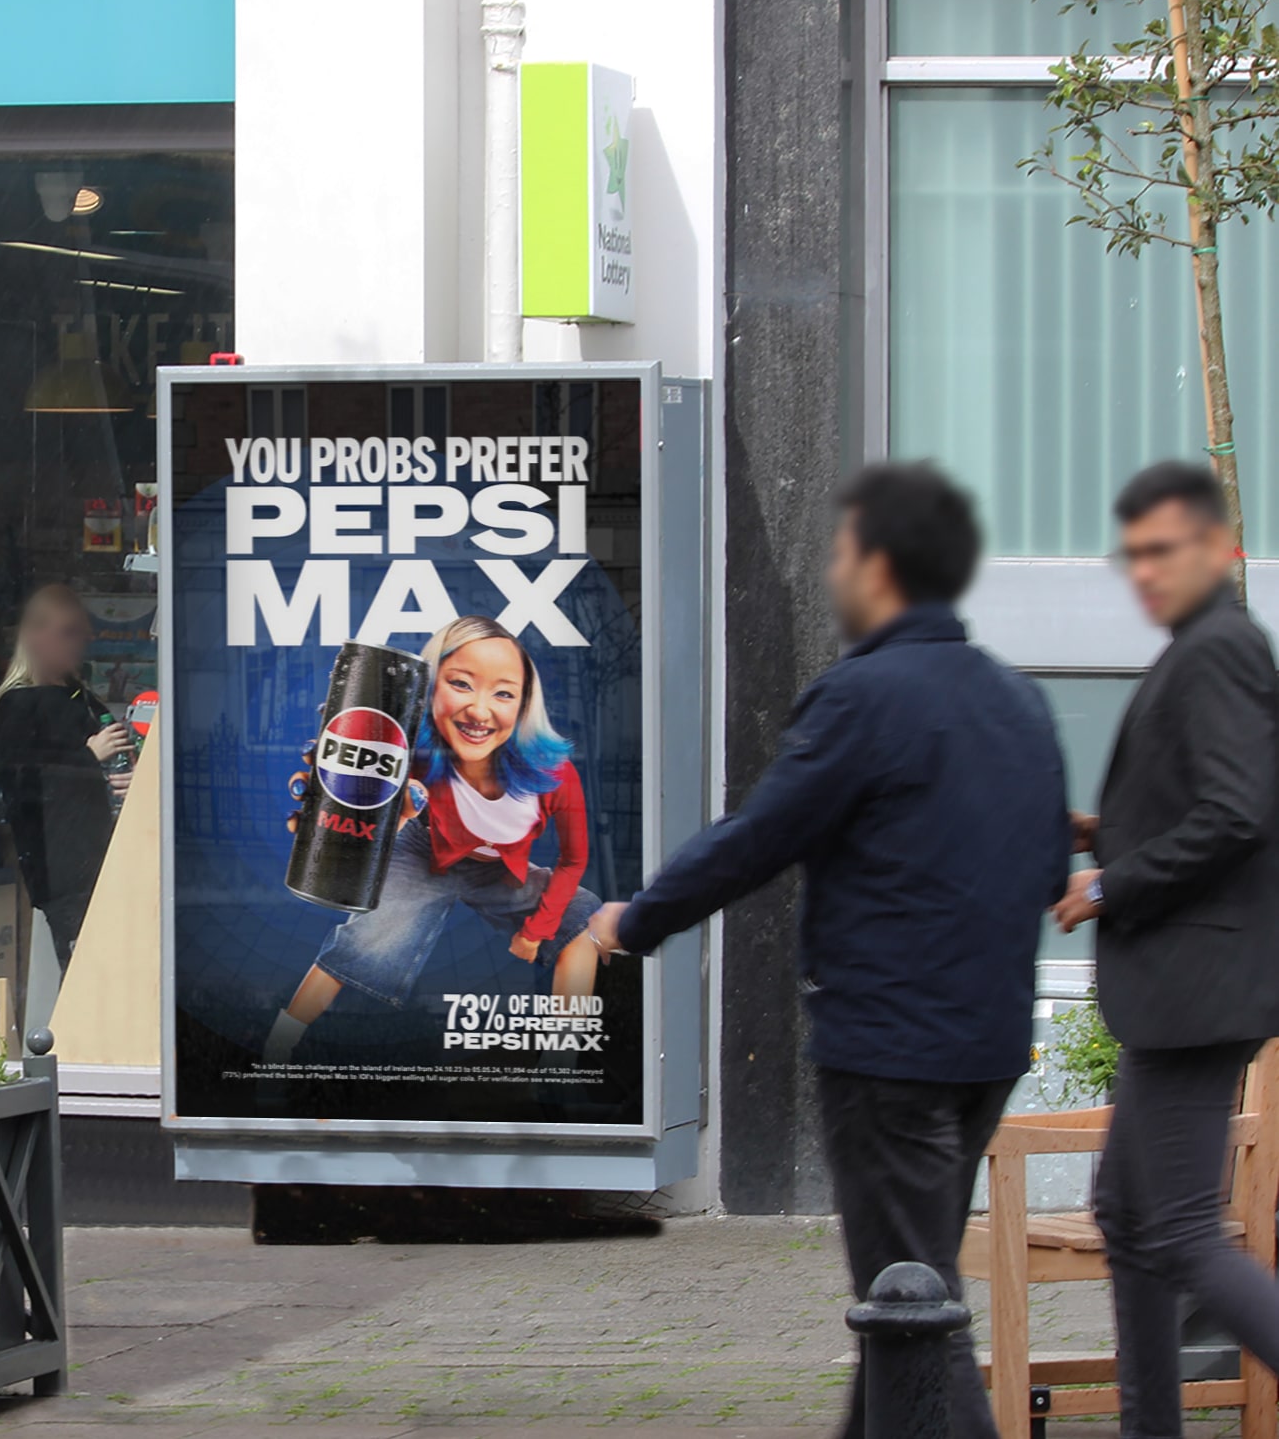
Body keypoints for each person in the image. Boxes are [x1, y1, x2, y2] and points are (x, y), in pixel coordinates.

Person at [585, 462, 1068, 1439]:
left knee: (909, 1313)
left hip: (890, 1050)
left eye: (842, 551)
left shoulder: (863, 696)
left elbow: (760, 836)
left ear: (879, 567)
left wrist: (634, 920)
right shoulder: (1017, 701)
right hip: (982, 1049)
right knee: (908, 1295)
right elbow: (1049, 858)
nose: (834, 569)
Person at [1053, 461, 1279, 1439]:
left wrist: (1111, 883)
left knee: (1177, 1227)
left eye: (1163, 551)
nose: (1143, 572)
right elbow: (1200, 811)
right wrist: (1100, 832)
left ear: (1215, 548)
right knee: (1128, 1217)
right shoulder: (1202, 647)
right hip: (1189, 979)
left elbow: (1235, 814)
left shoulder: (1219, 649)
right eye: (1132, 555)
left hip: (1196, 984)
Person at [265, 615, 602, 1064]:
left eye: (503, 693)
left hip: (496, 871)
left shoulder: (553, 774)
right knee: (364, 940)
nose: (480, 711)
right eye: (461, 684)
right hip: (424, 851)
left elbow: (573, 859)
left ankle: (562, 1064)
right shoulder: (411, 751)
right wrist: (331, 793)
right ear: (429, 687)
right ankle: (278, 1043)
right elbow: (360, 786)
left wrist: (537, 930)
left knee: (582, 916)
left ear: (523, 705)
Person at [0, 585, 133, 978]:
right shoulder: (19, 705)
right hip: (66, 872)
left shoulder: (78, 697)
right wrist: (90, 757)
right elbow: (26, 785)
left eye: (82, 632)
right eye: (69, 632)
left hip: (102, 865)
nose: (82, 643)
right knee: (87, 980)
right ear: (36, 636)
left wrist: (127, 780)